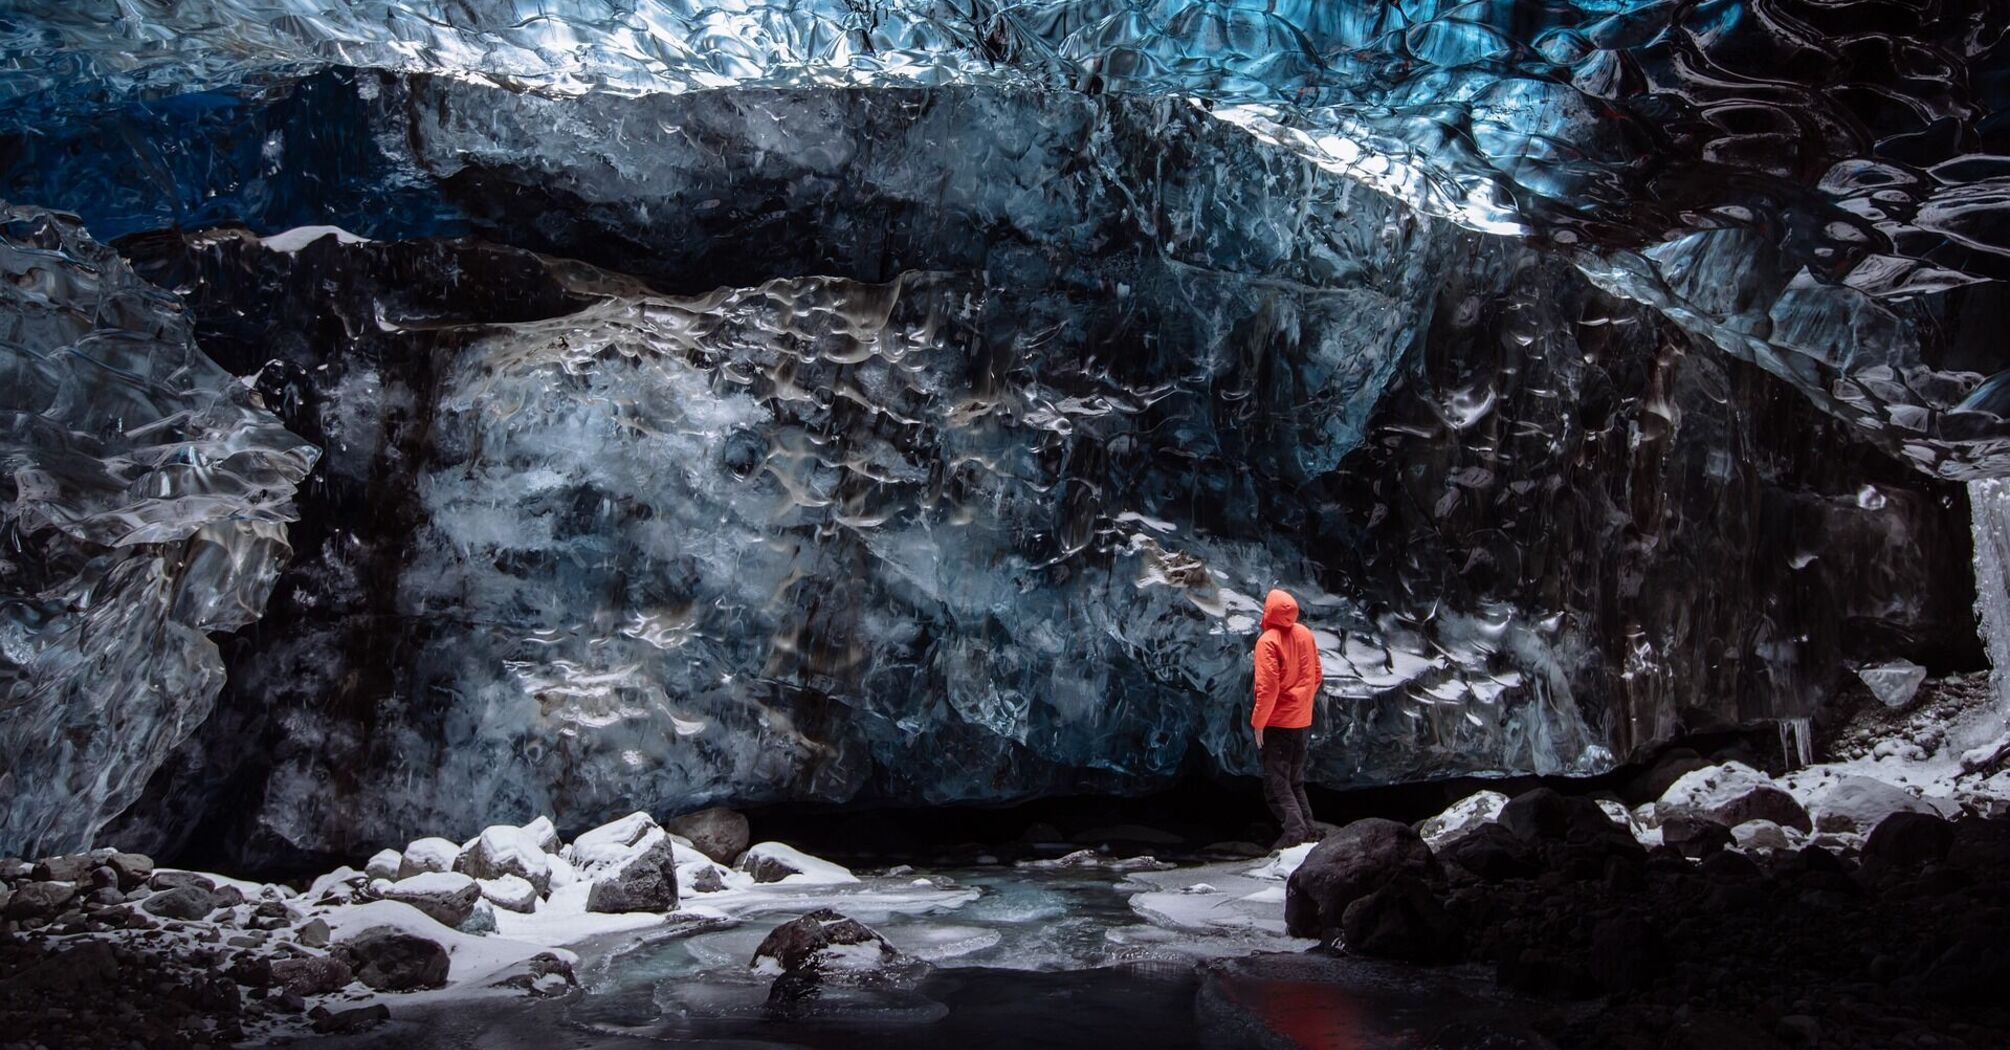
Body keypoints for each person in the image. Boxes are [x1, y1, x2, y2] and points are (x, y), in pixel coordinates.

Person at [1252, 588, 1322, 849]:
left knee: (1276, 784)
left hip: (1277, 723)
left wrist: (1260, 722)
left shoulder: (1268, 641)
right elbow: (1317, 674)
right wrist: (1301, 705)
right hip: (1301, 721)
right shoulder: (1305, 634)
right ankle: (1309, 831)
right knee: (1295, 780)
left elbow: (1267, 688)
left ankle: (1294, 832)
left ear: (1268, 611)